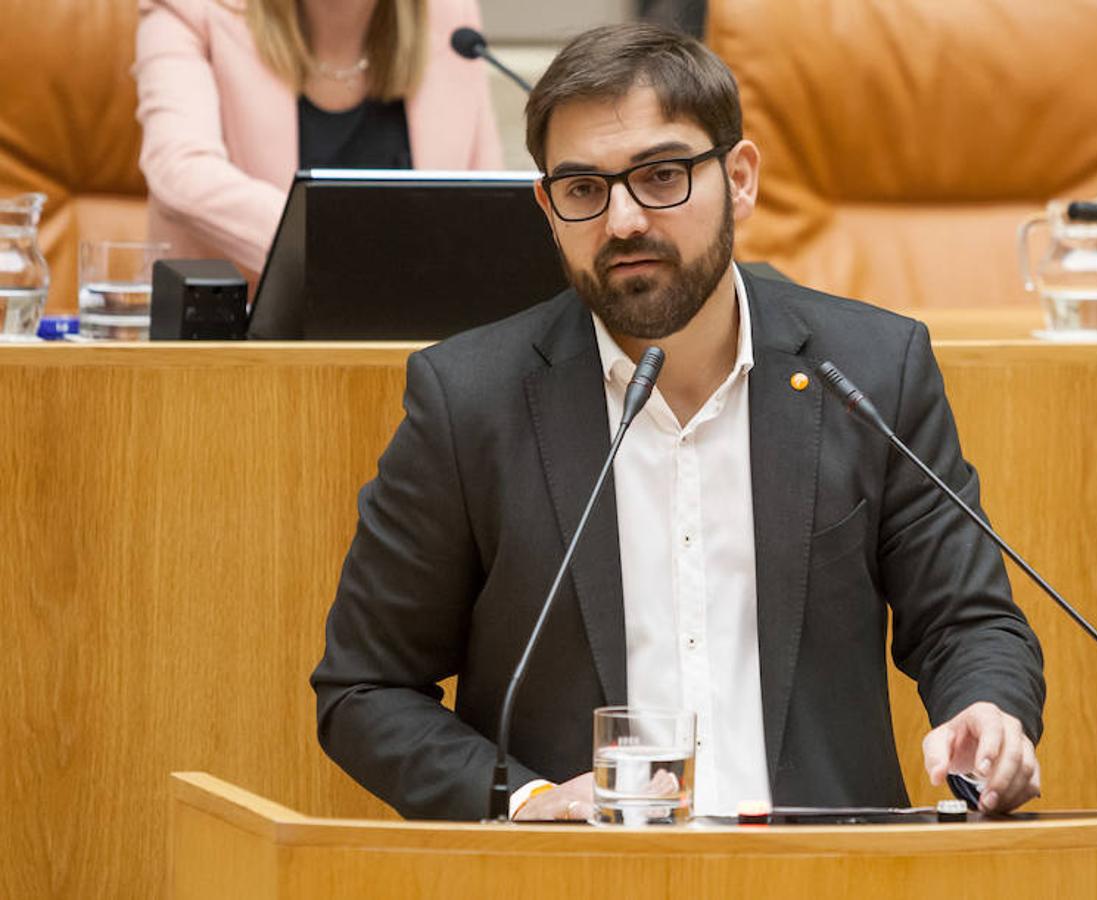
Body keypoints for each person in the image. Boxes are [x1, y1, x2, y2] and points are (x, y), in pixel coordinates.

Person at [311, 23, 1045, 822]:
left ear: (741, 177)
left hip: (829, 871)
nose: (624, 220)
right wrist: (529, 799)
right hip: (578, 880)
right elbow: (365, 688)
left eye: (662, 175)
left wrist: (989, 709)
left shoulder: (869, 371)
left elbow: (968, 621)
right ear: (548, 209)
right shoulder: (470, 401)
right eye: (585, 189)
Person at [133, 0, 503, 280]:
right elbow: (178, 168)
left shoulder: (449, 18)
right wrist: (340, 248)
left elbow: (488, 201)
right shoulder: (194, 11)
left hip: (415, 345)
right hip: (241, 351)